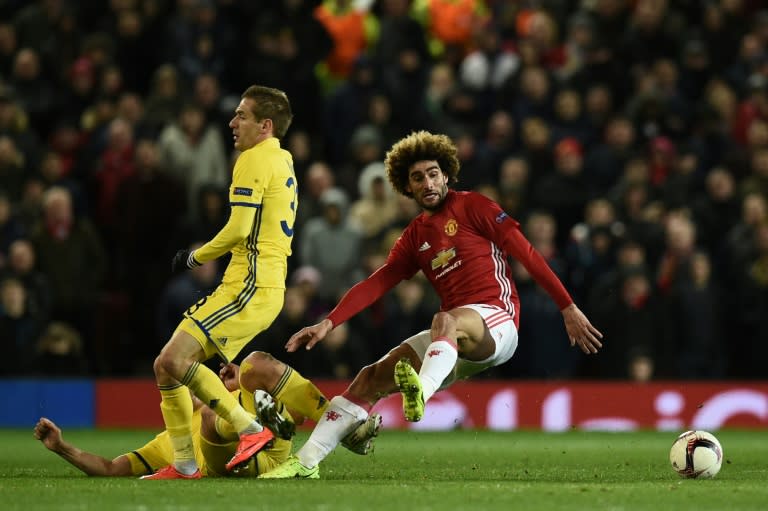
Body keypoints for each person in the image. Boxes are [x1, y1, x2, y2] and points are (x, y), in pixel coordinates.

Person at [261, 131, 603, 479]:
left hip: (497, 321)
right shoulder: (414, 236)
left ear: (446, 174)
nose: (427, 182)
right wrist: (329, 322)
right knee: (369, 379)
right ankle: (306, 462)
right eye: (418, 177)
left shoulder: (474, 206)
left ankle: (420, 392)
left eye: (433, 173)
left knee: (445, 319)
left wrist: (567, 306)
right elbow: (376, 283)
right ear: (407, 187)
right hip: (452, 343)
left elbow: (527, 254)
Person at [147, 85, 299, 479]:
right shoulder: (282, 158)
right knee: (167, 367)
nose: (232, 123)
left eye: (242, 116)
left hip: (249, 285)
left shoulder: (252, 159)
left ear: (265, 125)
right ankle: (183, 463)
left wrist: (194, 257)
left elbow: (238, 229)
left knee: (172, 360)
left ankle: (249, 428)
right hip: (257, 286)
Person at [33, 351, 382, 478]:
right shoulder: (164, 444)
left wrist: (232, 387)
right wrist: (63, 448)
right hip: (225, 459)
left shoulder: (228, 396)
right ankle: (267, 428)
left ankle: (338, 424)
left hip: (272, 456)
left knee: (256, 364)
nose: (192, 387)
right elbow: (111, 468)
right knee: (214, 423)